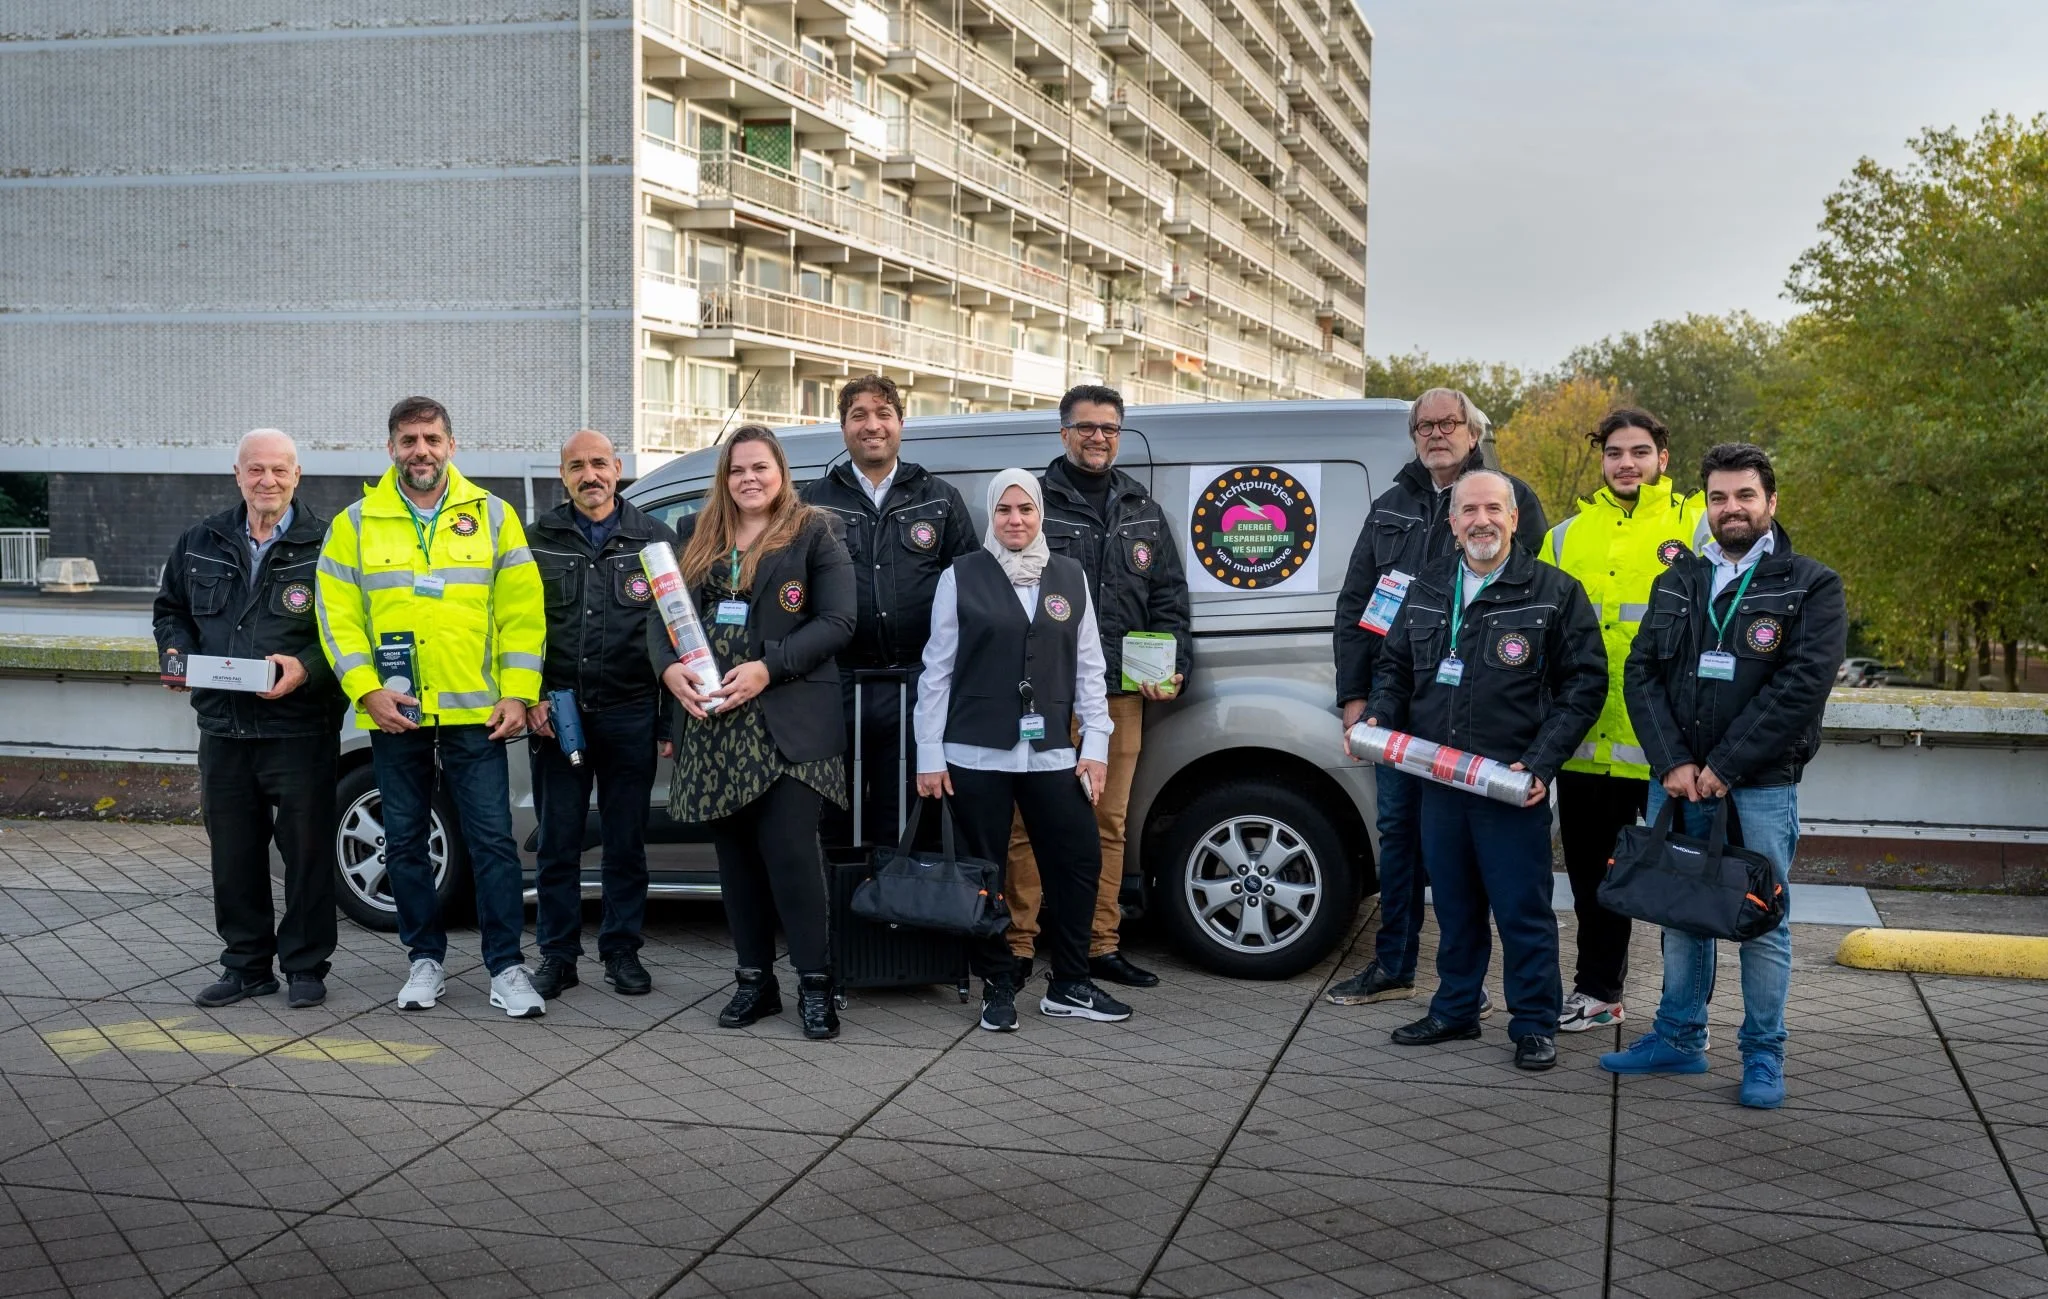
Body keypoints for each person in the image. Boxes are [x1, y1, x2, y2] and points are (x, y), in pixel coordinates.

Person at [1606, 443, 1845, 1108]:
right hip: (1678, 780)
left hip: (1760, 784)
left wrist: (1724, 766)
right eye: (1718, 497)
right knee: (1681, 910)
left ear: (1771, 502)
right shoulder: (1677, 578)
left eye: (1744, 496)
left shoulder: (1810, 584)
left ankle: (1764, 1054)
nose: (1730, 508)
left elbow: (1801, 687)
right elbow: (1641, 671)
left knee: (1764, 918)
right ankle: (1679, 1038)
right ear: (1704, 504)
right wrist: (1675, 762)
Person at [1363, 470, 1606, 1071]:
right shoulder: (1425, 589)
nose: (1482, 521)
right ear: (1453, 523)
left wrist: (1543, 762)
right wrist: (1377, 718)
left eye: (1494, 509)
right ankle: (1456, 1009)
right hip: (1438, 779)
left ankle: (1533, 1023)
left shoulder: (1554, 590)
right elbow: (1394, 668)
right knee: (1454, 902)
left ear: (1515, 517)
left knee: (1521, 908)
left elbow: (1584, 685)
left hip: (1508, 782)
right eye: (1469, 510)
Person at [314, 396, 548, 1018]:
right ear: (391, 447)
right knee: (406, 841)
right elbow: (337, 620)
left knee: (494, 840)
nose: (422, 451)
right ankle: (425, 961)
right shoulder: (356, 523)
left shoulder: (494, 517)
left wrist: (518, 693)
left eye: (433, 439)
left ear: (451, 445)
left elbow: (523, 617)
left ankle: (507, 967)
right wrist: (367, 690)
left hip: (479, 713)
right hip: (398, 712)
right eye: (410, 439)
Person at [1330, 389, 1548, 1008]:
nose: (1435, 434)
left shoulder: (1508, 498)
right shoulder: (1392, 504)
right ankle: (1394, 964)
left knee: (1475, 849)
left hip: (1483, 710)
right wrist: (1355, 696)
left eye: (1447, 422)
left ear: (1472, 430)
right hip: (1402, 708)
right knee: (1400, 832)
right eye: (1424, 425)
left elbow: (1533, 598)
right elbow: (1356, 605)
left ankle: (1475, 987)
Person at [652, 426, 854, 1040]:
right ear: (725, 477)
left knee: (791, 857)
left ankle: (817, 988)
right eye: (738, 470)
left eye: (760, 468)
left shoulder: (815, 530)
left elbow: (838, 621)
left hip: (789, 723)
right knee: (735, 864)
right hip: (714, 726)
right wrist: (669, 670)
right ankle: (754, 983)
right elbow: (660, 622)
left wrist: (770, 665)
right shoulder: (694, 534)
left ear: (780, 471)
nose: (749, 479)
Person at [916, 470, 1130, 1031]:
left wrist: (1098, 744)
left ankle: (1070, 983)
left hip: (1054, 752)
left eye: (1025, 510)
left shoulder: (1069, 575)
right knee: (986, 872)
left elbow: (1090, 668)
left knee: (1079, 860)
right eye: (1005, 510)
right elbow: (936, 671)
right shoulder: (960, 576)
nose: (1015, 520)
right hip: (974, 750)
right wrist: (929, 754)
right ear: (992, 515)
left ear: (1040, 515)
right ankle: (997, 984)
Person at [1005, 383, 1190, 990]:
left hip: (1118, 696)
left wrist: (1173, 664)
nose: (1098, 437)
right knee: (1026, 825)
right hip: (1042, 694)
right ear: (1064, 433)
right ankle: (1018, 945)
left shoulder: (1142, 509)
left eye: (1109, 428)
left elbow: (1167, 600)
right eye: (1086, 427)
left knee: (1107, 824)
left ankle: (1099, 944)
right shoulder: (1034, 502)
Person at [153, 430, 346, 1010]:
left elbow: (348, 629)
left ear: (298, 475)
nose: (268, 481)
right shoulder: (199, 540)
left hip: (300, 726)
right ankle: (246, 966)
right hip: (223, 726)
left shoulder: (330, 543)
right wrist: (174, 654)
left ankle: (307, 966)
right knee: (233, 853)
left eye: (279, 471)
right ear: (237, 474)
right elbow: (171, 611)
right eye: (256, 470)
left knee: (307, 852)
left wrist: (306, 667)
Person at [1537, 408, 1706, 1032]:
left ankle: (1685, 1012)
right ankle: (1598, 993)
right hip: (1585, 743)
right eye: (1614, 453)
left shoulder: (1699, 521)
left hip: (1671, 747)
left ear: (1663, 457)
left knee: (1681, 887)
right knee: (1594, 883)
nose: (1626, 463)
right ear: (1601, 459)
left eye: (1639, 451)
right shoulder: (1563, 537)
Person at [525, 429, 679, 1000]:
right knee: (558, 842)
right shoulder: (536, 540)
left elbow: (675, 634)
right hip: (557, 713)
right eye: (576, 466)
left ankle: (621, 952)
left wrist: (667, 721)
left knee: (625, 842)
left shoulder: (655, 540)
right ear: (562, 476)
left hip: (631, 711)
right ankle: (558, 957)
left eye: (598, 464)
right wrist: (531, 695)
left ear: (618, 467)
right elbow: (516, 629)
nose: (589, 475)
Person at [799, 375, 976, 845]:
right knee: (836, 816)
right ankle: (841, 916)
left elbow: (970, 594)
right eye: (859, 415)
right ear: (843, 428)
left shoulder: (939, 497)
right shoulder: (813, 502)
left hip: (920, 686)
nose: (872, 425)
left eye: (883, 414)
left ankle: (900, 916)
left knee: (910, 818)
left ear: (902, 423)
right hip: (837, 685)